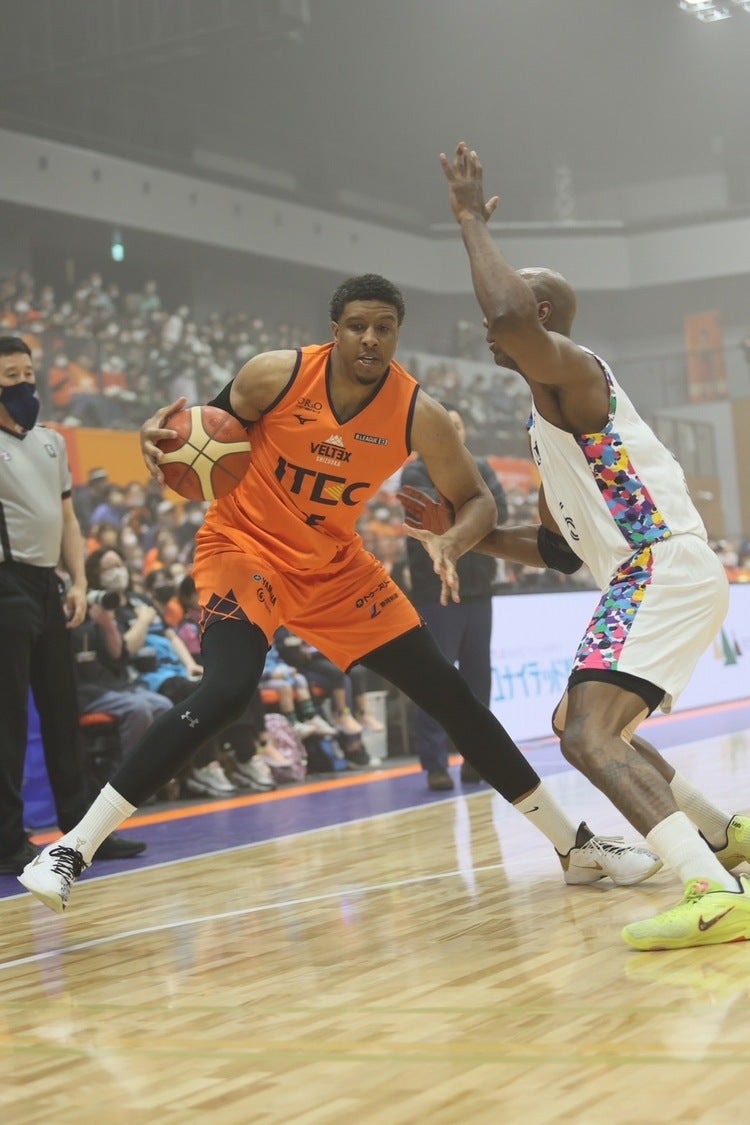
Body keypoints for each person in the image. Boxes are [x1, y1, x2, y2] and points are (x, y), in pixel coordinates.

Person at [18, 275, 661, 914]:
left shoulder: (417, 412)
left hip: (335, 567)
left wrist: (454, 541)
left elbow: (477, 500)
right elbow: (198, 434)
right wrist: (155, 443)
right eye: (358, 326)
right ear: (335, 331)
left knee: (451, 694)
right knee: (228, 690)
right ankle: (72, 848)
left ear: (397, 335)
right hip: (244, 549)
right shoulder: (273, 376)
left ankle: (573, 846)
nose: (370, 339)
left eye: (384, 328)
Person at [402, 143, 750, 951]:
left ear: (540, 315)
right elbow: (557, 551)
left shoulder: (577, 374)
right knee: (578, 720)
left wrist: (468, 221)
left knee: (587, 735)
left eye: (510, 313)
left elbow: (509, 318)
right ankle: (723, 834)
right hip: (651, 570)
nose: (488, 327)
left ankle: (711, 889)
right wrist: (462, 535)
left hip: (659, 562)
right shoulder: (547, 419)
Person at [0, 336, 145, 875]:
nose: (23, 384)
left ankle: (84, 833)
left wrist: (79, 581)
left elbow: (67, 517)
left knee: (64, 711)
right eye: (10, 376)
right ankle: (6, 841)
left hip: (49, 583)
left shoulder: (52, 442)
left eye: (27, 374)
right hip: (5, 583)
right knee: (8, 718)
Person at [399, 402, 507, 791]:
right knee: (437, 679)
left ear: (465, 432)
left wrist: (471, 513)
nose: (453, 431)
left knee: (479, 680)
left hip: (479, 591)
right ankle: (435, 764)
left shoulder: (484, 467)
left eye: (458, 424)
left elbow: (496, 514)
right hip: (435, 591)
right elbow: (435, 520)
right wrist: (473, 507)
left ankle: (477, 758)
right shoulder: (414, 472)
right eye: (446, 425)